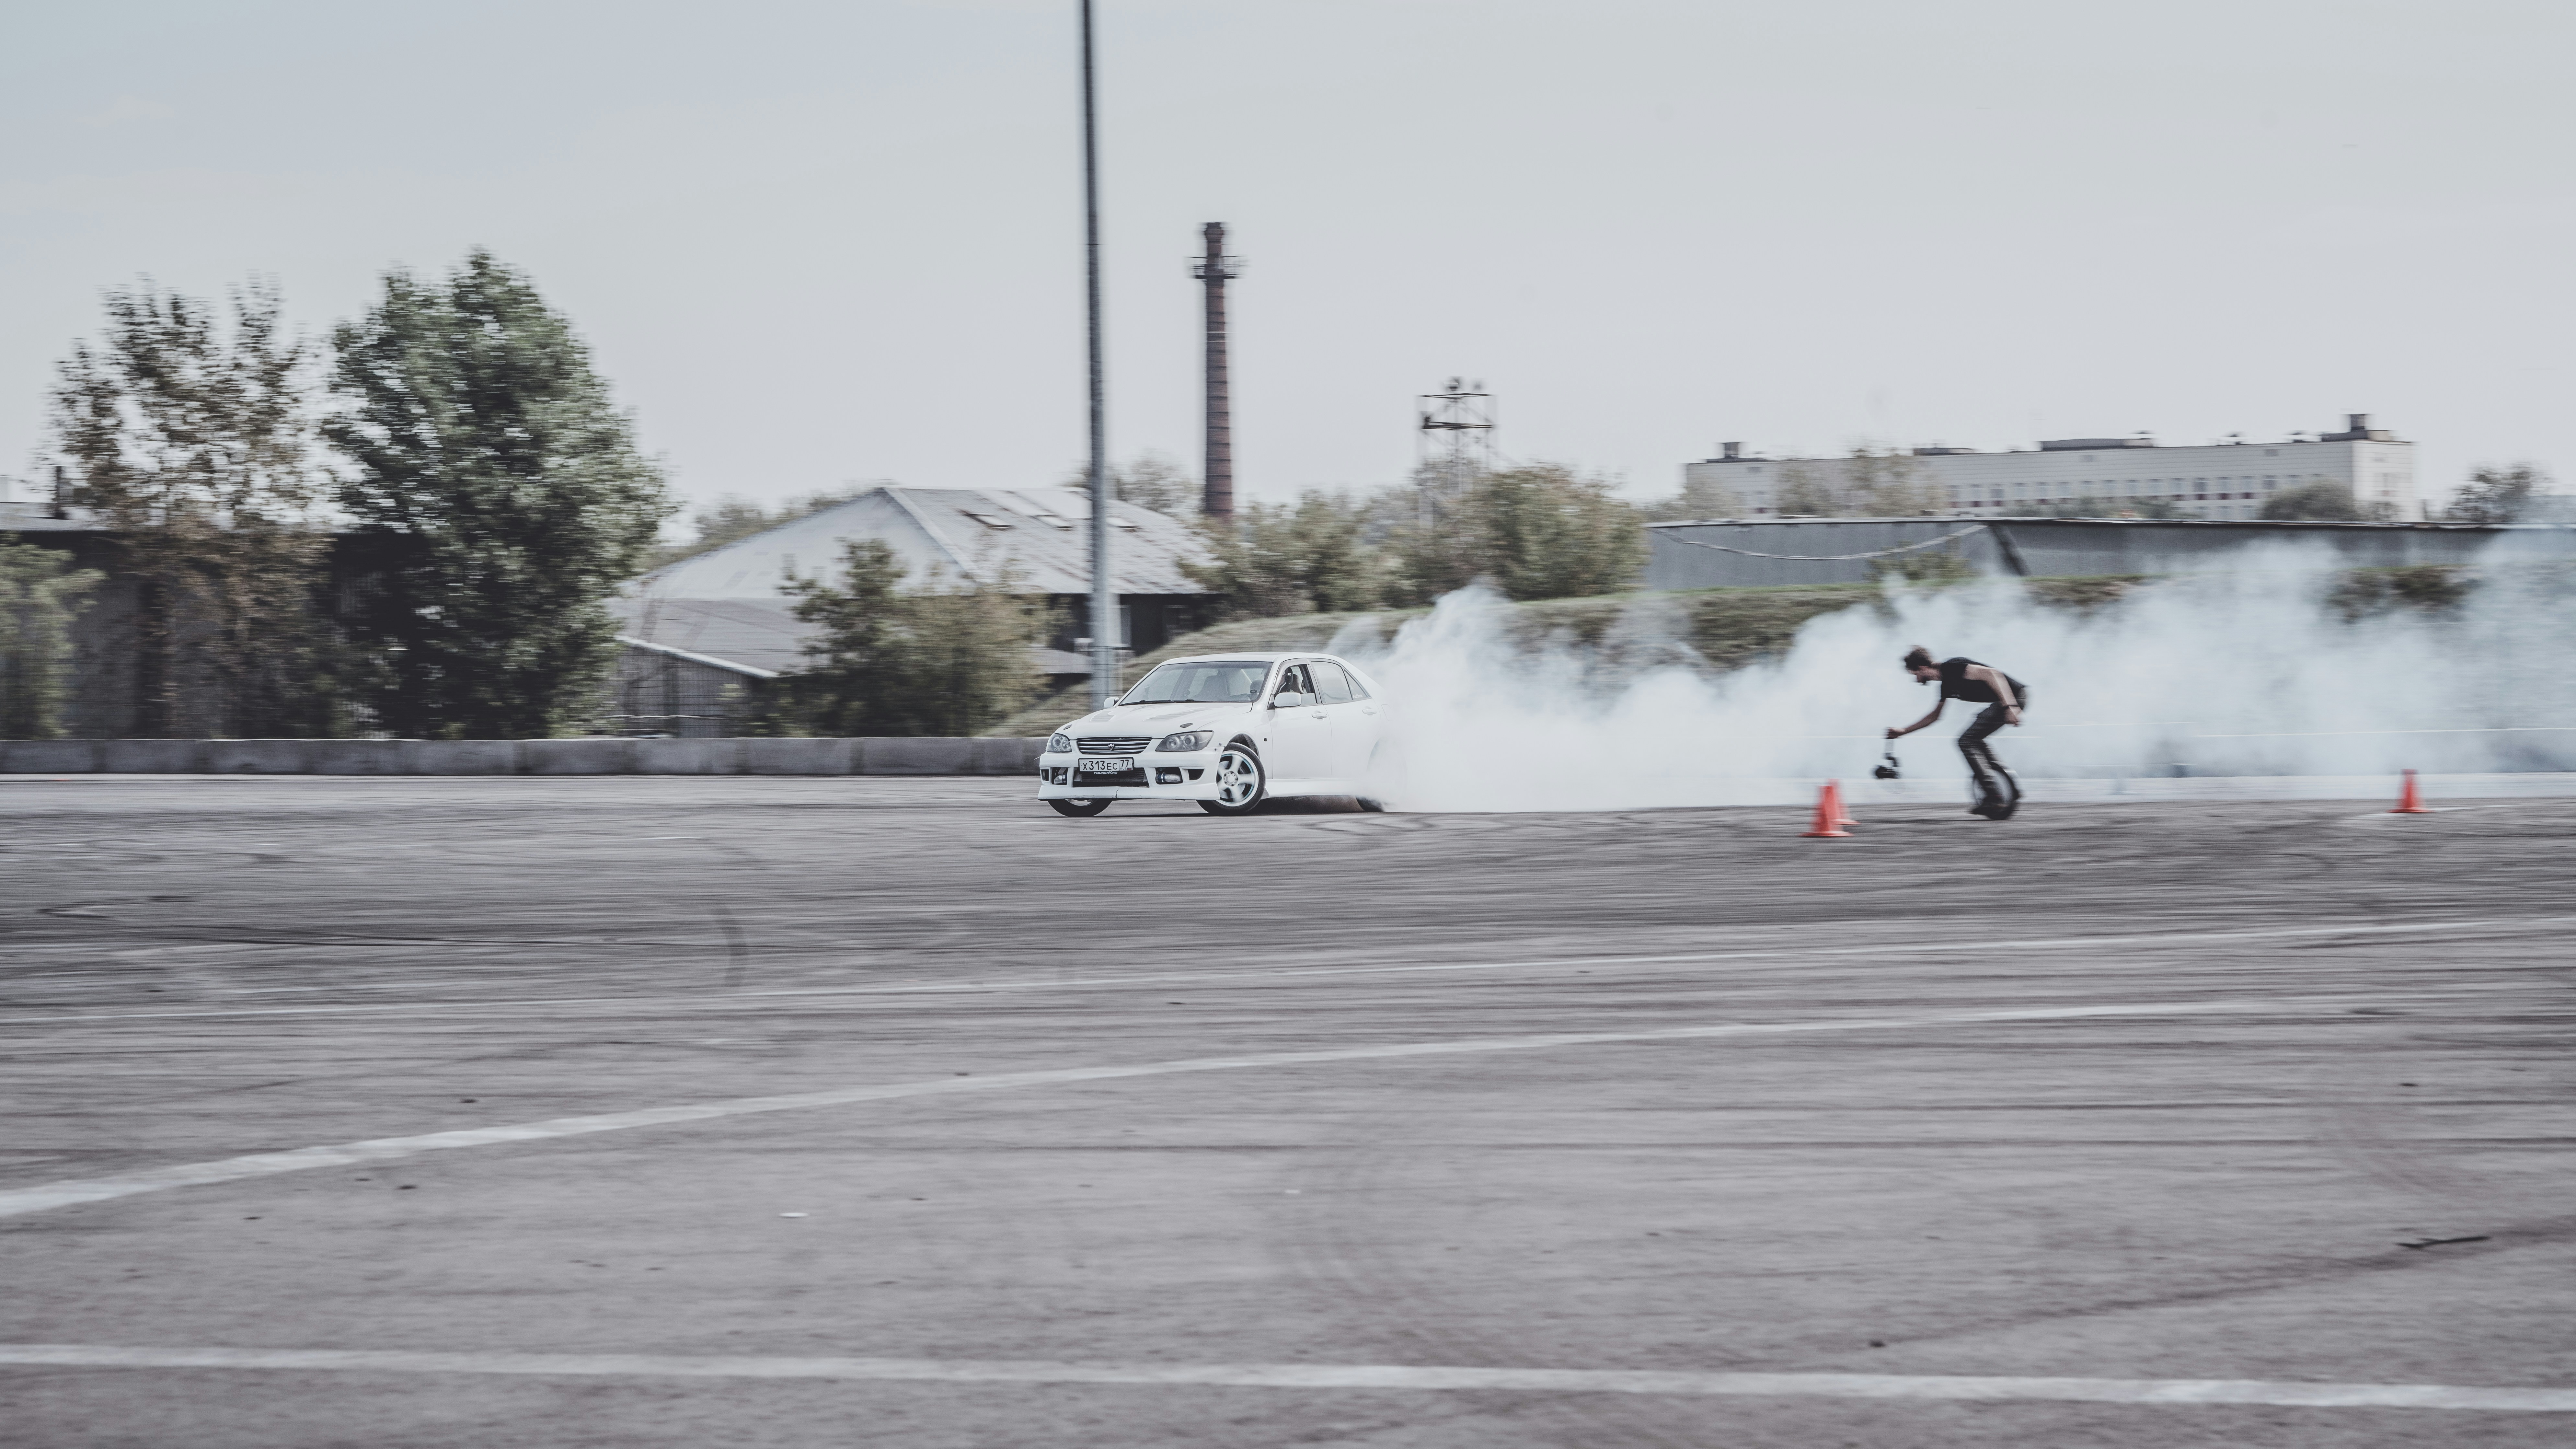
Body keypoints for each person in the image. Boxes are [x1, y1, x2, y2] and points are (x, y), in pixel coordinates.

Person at [1887, 645, 2029, 818]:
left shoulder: (1952, 667)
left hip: (2013, 698)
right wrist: (1903, 731)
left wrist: (2010, 706)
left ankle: (1994, 797)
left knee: (1966, 741)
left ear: (1923, 668)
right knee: (1974, 740)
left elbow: (1992, 674)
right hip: (2007, 701)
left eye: (1915, 674)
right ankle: (2010, 789)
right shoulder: (1946, 685)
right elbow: (1934, 717)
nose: (1917, 680)